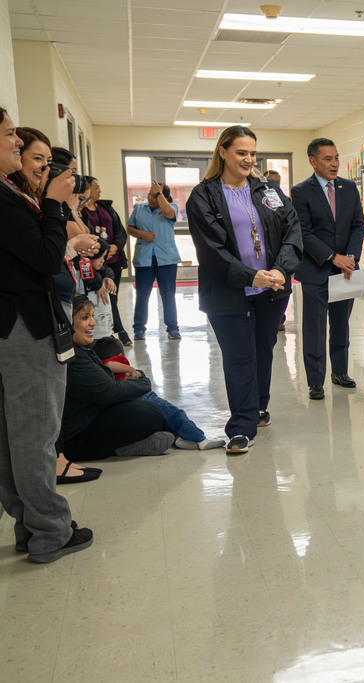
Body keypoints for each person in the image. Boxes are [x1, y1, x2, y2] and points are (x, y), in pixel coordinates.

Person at [0, 106, 93, 563]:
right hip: (25, 325)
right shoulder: (5, 198)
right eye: (9, 134)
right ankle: (50, 532)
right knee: (35, 433)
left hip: (14, 322)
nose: (17, 143)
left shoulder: (10, 192)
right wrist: (55, 205)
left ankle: (30, 524)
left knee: (12, 436)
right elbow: (43, 256)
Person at [186, 126, 302, 454]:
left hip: (272, 290)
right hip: (227, 291)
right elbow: (211, 249)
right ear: (223, 152)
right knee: (239, 357)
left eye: (253, 153)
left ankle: (259, 406)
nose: (249, 159)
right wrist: (251, 277)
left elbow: (292, 230)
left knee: (263, 350)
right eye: (241, 152)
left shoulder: (268, 190)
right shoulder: (203, 195)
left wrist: (280, 269)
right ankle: (241, 427)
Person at [291, 137, 364, 398]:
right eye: (327, 159)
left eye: (336, 158)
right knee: (315, 328)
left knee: (341, 325)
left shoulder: (349, 187)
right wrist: (333, 257)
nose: (334, 164)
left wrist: (350, 257)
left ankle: (340, 372)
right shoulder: (301, 191)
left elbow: (358, 224)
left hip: (346, 270)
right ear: (313, 161)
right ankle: (315, 381)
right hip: (316, 271)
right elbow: (304, 232)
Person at [62, 296, 175, 460]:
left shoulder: (80, 350)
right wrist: (143, 381)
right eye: (85, 318)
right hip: (75, 438)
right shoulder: (75, 357)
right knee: (149, 416)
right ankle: (122, 448)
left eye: (92, 316)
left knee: (148, 410)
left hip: (88, 420)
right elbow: (110, 391)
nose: (93, 323)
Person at [92, 336, 225, 451]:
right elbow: (109, 365)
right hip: (143, 397)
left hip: (130, 402)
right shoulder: (116, 361)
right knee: (175, 414)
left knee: (165, 418)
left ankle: (179, 438)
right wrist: (131, 369)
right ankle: (200, 439)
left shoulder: (98, 369)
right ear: (120, 355)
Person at [127, 180, 180, 340]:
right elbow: (130, 228)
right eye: (150, 194)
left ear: (163, 196)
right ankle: (139, 329)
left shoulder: (171, 208)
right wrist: (141, 234)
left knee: (168, 295)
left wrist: (159, 194)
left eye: (154, 195)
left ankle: (173, 328)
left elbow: (169, 213)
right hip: (144, 259)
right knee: (142, 294)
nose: (150, 197)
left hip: (167, 259)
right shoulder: (139, 209)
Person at [81, 176, 130, 346]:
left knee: (112, 296)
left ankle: (116, 330)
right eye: (96, 188)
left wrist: (115, 246)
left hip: (113, 259)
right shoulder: (81, 211)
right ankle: (102, 333)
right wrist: (101, 253)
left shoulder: (106, 207)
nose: (100, 191)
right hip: (94, 260)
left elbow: (120, 231)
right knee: (97, 297)